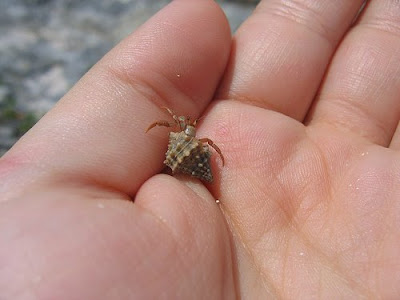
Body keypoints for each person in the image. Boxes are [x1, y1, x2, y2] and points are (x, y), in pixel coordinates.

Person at [1, 0, 399, 298]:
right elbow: (197, 138)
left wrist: (200, 151)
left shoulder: (187, 138)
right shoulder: (187, 139)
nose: (183, 126)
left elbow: (200, 140)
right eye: (181, 127)